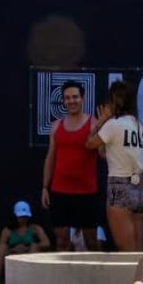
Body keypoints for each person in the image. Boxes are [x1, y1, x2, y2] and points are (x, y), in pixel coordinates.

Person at [87, 80, 143, 252]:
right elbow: (136, 159)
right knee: (138, 250)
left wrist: (100, 122)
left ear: (115, 101)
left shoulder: (113, 125)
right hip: (139, 187)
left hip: (119, 185)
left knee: (126, 251)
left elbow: (89, 143)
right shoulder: (142, 128)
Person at [41, 79, 99, 252]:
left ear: (82, 98)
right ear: (63, 101)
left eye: (75, 97)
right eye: (67, 98)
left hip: (87, 192)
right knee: (61, 241)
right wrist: (45, 187)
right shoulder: (56, 126)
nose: (71, 101)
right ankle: (63, 272)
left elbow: (103, 154)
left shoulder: (94, 124)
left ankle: (94, 271)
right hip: (60, 191)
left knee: (91, 242)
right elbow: (50, 158)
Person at [0, 200, 51, 280]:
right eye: (21, 217)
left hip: (29, 254)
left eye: (25, 216)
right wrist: (13, 249)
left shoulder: (35, 228)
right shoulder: (7, 231)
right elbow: (1, 247)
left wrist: (31, 246)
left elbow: (47, 243)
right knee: (2, 248)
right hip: (13, 255)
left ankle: (32, 277)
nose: (23, 219)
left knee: (34, 247)